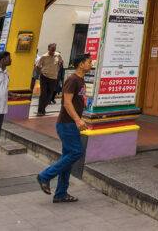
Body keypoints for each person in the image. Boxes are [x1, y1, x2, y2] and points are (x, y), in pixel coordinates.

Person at [37, 53, 91, 203]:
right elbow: (66, 103)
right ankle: (45, 176)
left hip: (71, 124)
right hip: (67, 124)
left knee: (67, 158)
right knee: (77, 152)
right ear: (81, 64)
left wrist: (83, 104)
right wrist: (77, 120)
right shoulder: (72, 80)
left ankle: (61, 193)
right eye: (89, 62)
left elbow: (75, 100)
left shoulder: (81, 80)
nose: (91, 64)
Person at [35, 44, 63, 116]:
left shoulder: (58, 55)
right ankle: (40, 110)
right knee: (43, 94)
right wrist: (40, 74)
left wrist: (57, 69)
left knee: (50, 95)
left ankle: (43, 108)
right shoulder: (44, 56)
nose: (53, 51)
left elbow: (61, 62)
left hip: (53, 77)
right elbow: (37, 66)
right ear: (48, 49)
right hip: (44, 76)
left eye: (54, 49)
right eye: (52, 49)